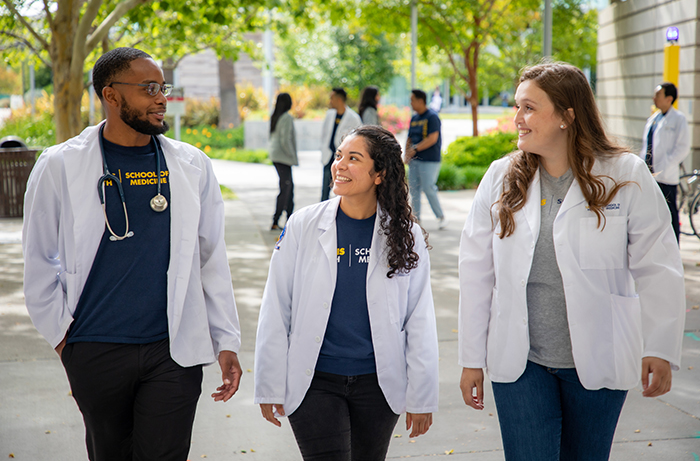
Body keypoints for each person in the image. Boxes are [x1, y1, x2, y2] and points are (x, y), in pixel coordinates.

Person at [22, 47, 243, 461]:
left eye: (163, 88)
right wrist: (64, 339)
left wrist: (226, 338)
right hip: (96, 345)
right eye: (149, 88)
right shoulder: (60, 165)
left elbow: (210, 256)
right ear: (112, 95)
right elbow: (38, 259)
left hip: (173, 349)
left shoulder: (192, 164)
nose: (161, 98)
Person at [458, 62, 686, 460]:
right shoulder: (500, 178)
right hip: (521, 361)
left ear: (567, 115)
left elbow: (658, 264)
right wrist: (471, 359)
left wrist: (661, 346)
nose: (517, 119)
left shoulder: (623, 174)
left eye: (529, 108)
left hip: (598, 359)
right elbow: (476, 272)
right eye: (517, 107)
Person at [255, 125, 439, 460]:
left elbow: (419, 318)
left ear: (379, 173)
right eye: (338, 156)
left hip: (378, 383)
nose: (339, 164)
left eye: (353, 158)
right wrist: (269, 383)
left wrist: (422, 395)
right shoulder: (303, 225)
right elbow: (276, 306)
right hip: (315, 380)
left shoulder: (405, 235)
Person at [639, 82, 690, 242]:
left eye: (658, 95)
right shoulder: (654, 118)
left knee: (670, 213)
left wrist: (667, 164)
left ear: (669, 98)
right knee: (651, 214)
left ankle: (674, 246)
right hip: (650, 174)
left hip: (666, 176)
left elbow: (683, 147)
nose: (654, 98)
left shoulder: (679, 119)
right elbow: (646, 145)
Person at [405, 89, 447, 229]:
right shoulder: (414, 118)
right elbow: (409, 138)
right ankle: (416, 219)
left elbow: (432, 138)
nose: (410, 103)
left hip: (429, 160)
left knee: (429, 187)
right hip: (414, 160)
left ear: (420, 101)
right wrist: (407, 153)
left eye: (412, 100)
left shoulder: (432, 117)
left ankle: (440, 217)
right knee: (414, 189)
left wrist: (415, 149)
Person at [320, 87, 362, 201]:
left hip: (343, 160)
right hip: (328, 156)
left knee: (341, 189)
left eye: (331, 98)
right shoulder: (329, 115)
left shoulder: (353, 118)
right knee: (325, 189)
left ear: (339, 100)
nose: (330, 101)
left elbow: (357, 141)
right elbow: (324, 134)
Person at [269, 92, 298, 230]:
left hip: (277, 155)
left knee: (288, 187)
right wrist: (293, 156)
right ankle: (277, 220)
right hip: (283, 157)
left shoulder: (276, 116)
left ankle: (288, 219)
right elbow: (285, 139)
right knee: (286, 188)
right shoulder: (286, 117)